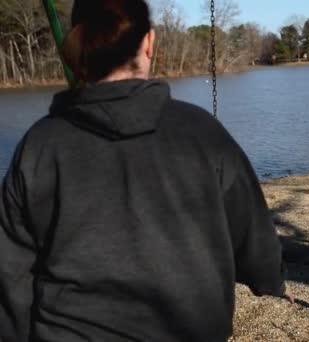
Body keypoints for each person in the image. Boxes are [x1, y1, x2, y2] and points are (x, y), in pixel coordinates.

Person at [0, 1, 291, 341]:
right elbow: (248, 223)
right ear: (149, 43)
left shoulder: (41, 144)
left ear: (79, 47)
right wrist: (269, 277)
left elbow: (10, 266)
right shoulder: (201, 131)